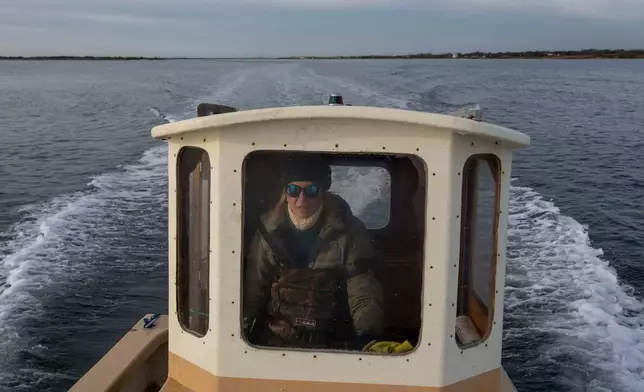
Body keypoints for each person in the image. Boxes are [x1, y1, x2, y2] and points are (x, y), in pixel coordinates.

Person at [243, 153, 384, 350]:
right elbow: (254, 287)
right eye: (293, 190)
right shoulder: (267, 232)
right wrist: (243, 330)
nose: (301, 200)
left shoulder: (350, 232)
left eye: (311, 190)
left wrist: (367, 335)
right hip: (276, 340)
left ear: (323, 193)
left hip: (332, 341)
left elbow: (362, 289)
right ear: (285, 193)